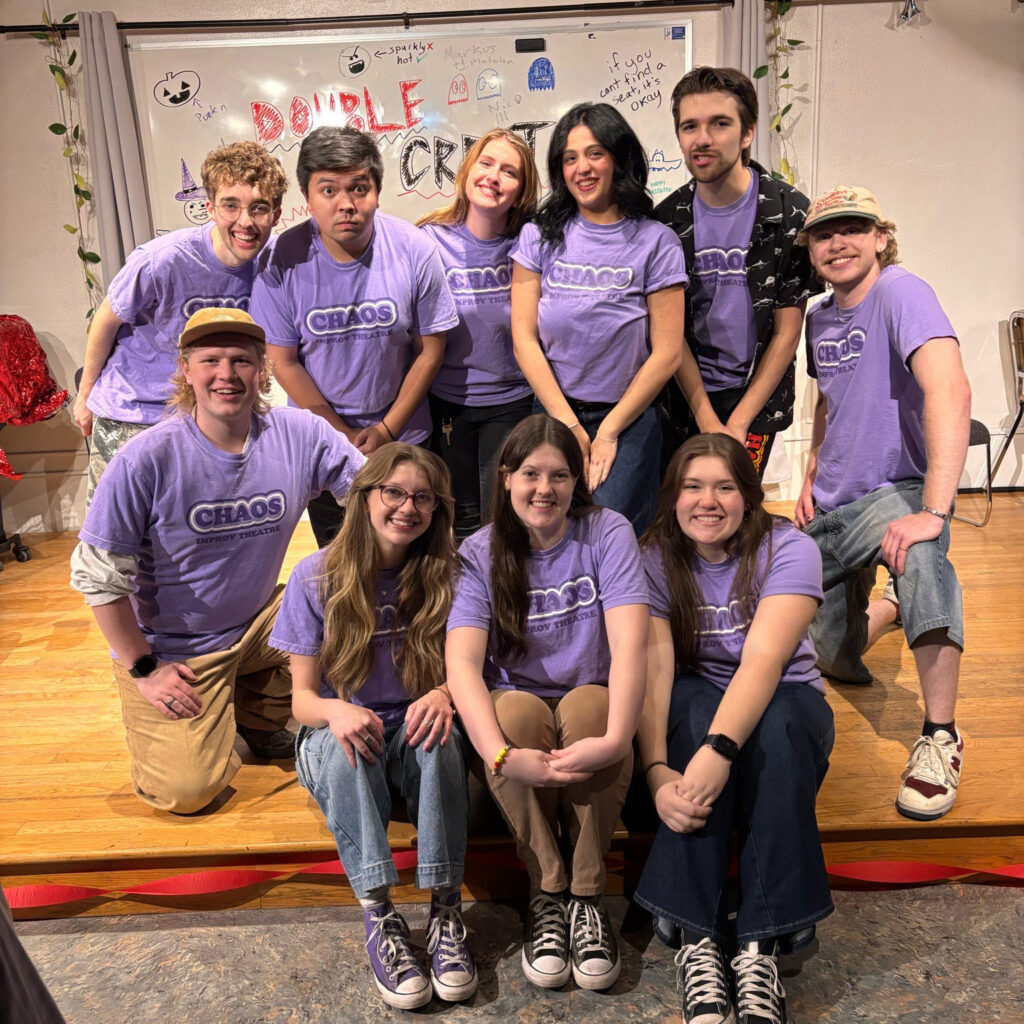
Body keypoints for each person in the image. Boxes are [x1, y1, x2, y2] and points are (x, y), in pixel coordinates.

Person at [70, 308, 364, 814]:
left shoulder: (301, 434)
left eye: (241, 361)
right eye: (210, 361)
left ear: (262, 371)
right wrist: (145, 668)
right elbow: (97, 580)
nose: (226, 375)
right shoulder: (145, 459)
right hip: (173, 651)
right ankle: (217, 703)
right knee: (187, 793)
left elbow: (373, 493)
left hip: (257, 624)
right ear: (186, 370)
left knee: (348, 598)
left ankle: (262, 707)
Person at [635, 433, 834, 1024]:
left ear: (749, 495)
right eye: (693, 486)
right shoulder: (654, 557)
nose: (708, 500)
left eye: (725, 486)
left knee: (771, 732)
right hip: (697, 697)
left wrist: (720, 751)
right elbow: (657, 672)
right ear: (672, 496)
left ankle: (757, 948)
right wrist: (655, 772)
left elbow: (765, 661)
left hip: (787, 696)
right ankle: (700, 942)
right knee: (694, 712)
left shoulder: (790, 547)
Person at [446, 414, 648, 991]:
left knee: (593, 711)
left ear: (578, 481)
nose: (545, 489)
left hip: (590, 692)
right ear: (505, 477)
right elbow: (461, 663)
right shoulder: (479, 550)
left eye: (559, 475)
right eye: (531, 473)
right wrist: (501, 757)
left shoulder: (608, 531)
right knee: (509, 716)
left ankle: (587, 896)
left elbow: (631, 646)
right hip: (520, 700)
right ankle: (547, 889)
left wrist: (614, 739)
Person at [269, 444, 474, 1010]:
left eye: (423, 498)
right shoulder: (315, 577)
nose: (408, 507)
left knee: (442, 737)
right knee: (345, 749)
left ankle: (445, 912)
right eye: (394, 492)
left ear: (438, 510)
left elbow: (474, 669)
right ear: (364, 498)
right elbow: (303, 701)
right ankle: (379, 913)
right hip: (339, 729)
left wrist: (443, 691)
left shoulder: (449, 574)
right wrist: (336, 709)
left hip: (411, 728)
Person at [796, 185, 971, 821]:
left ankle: (940, 737)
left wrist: (934, 511)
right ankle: (888, 607)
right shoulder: (818, 316)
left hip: (895, 493)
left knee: (923, 558)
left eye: (852, 228)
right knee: (830, 656)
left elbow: (950, 389)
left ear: (879, 237)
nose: (837, 242)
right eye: (823, 233)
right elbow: (828, 401)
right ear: (810, 249)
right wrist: (811, 470)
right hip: (832, 504)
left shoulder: (902, 291)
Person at [250, 126, 459, 546]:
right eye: (328, 190)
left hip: (405, 438)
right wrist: (336, 432)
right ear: (307, 199)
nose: (346, 204)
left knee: (413, 557)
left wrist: (385, 429)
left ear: (377, 190)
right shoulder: (281, 260)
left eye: (359, 188)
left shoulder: (415, 249)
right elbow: (283, 359)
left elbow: (430, 350)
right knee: (341, 559)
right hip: (321, 441)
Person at [73, 141, 288, 499]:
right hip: (134, 412)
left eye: (259, 208)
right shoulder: (164, 259)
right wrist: (84, 397)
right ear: (210, 208)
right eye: (230, 205)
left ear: (276, 214)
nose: (245, 222)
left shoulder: (274, 264)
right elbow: (106, 321)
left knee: (199, 534)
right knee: (117, 536)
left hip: (207, 417)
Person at [510, 102, 687, 536]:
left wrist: (607, 432)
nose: (581, 168)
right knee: (549, 530)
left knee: (611, 531)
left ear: (618, 158)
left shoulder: (655, 240)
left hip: (626, 419)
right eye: (569, 158)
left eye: (594, 154)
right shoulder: (538, 235)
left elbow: (666, 353)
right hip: (555, 411)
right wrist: (568, 423)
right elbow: (524, 339)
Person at [656, 66, 821, 477]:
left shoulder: (789, 213)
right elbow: (668, 333)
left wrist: (740, 421)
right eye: (689, 126)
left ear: (747, 133)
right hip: (683, 397)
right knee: (682, 506)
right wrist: (707, 419)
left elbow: (786, 333)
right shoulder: (665, 223)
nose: (702, 139)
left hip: (756, 398)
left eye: (720, 123)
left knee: (735, 508)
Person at [418, 129, 540, 540]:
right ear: (468, 169)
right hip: (446, 403)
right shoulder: (427, 241)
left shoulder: (530, 243)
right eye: (486, 163)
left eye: (509, 171)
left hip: (512, 402)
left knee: (503, 522)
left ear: (521, 190)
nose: (493, 176)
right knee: (461, 521)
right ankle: (472, 599)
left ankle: (505, 601)